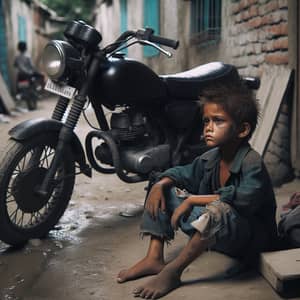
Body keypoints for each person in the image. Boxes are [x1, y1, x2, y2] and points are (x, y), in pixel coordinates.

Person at [116, 81, 278, 299]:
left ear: (242, 129)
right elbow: (183, 172)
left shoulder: (252, 162)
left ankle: (173, 272)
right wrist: (161, 184)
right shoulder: (212, 157)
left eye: (218, 121)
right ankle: (154, 257)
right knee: (161, 184)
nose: (208, 127)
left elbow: (243, 200)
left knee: (217, 210)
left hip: (249, 240)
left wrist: (192, 201)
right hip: (217, 233)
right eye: (206, 121)